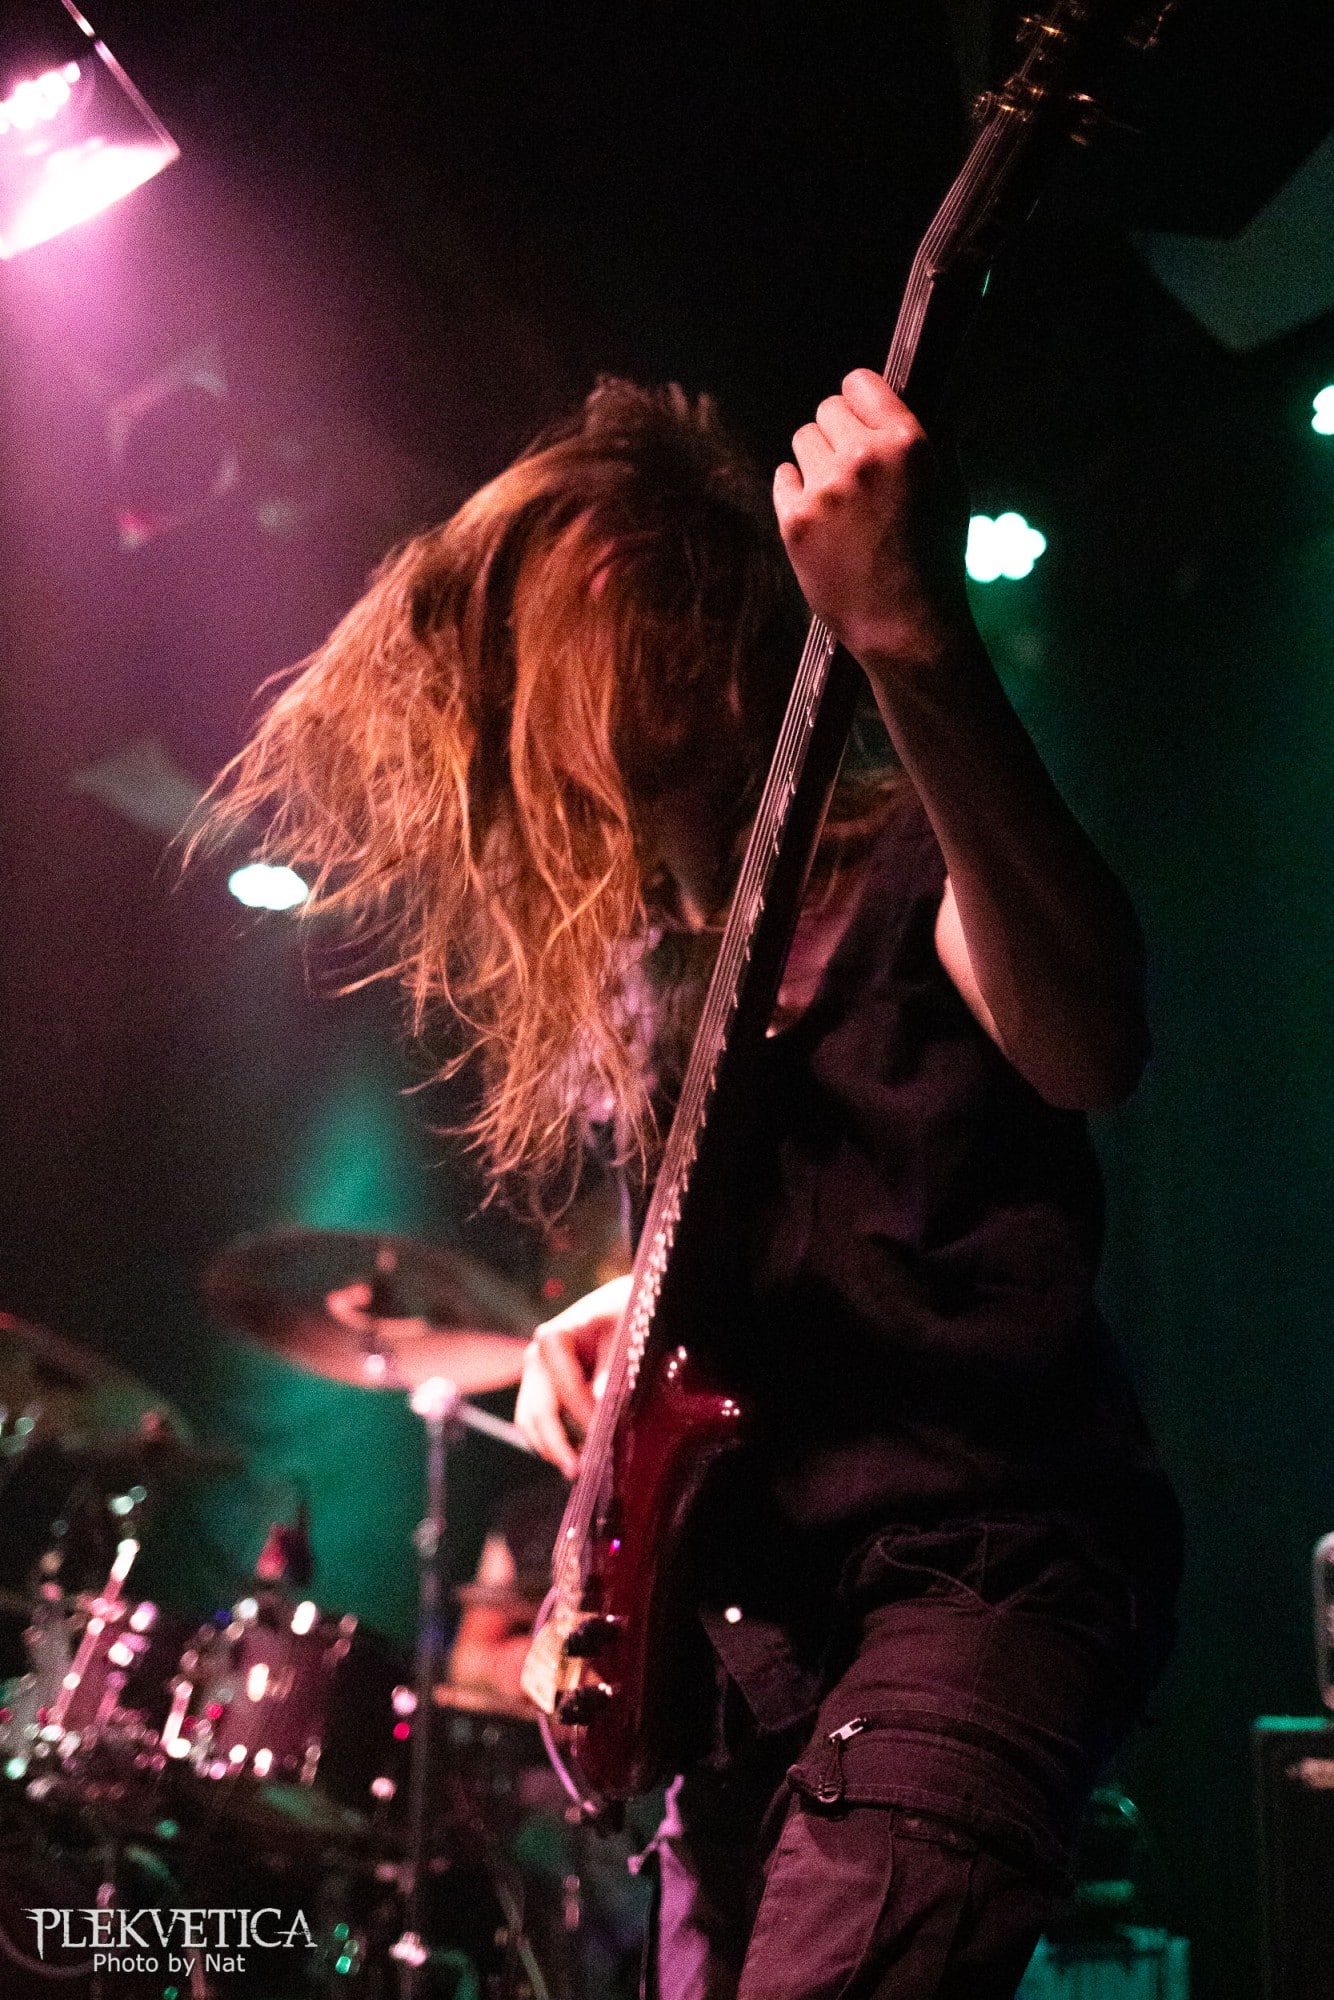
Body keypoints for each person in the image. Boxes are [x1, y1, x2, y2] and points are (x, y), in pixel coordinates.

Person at [202, 370, 1181, 1999]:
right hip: (750, 1656)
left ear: (631, 600)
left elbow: (1087, 1038)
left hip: (965, 1579)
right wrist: (624, 1339)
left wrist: (911, 641)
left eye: (524, 644)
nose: (498, 709)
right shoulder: (663, 981)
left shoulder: (904, 863)